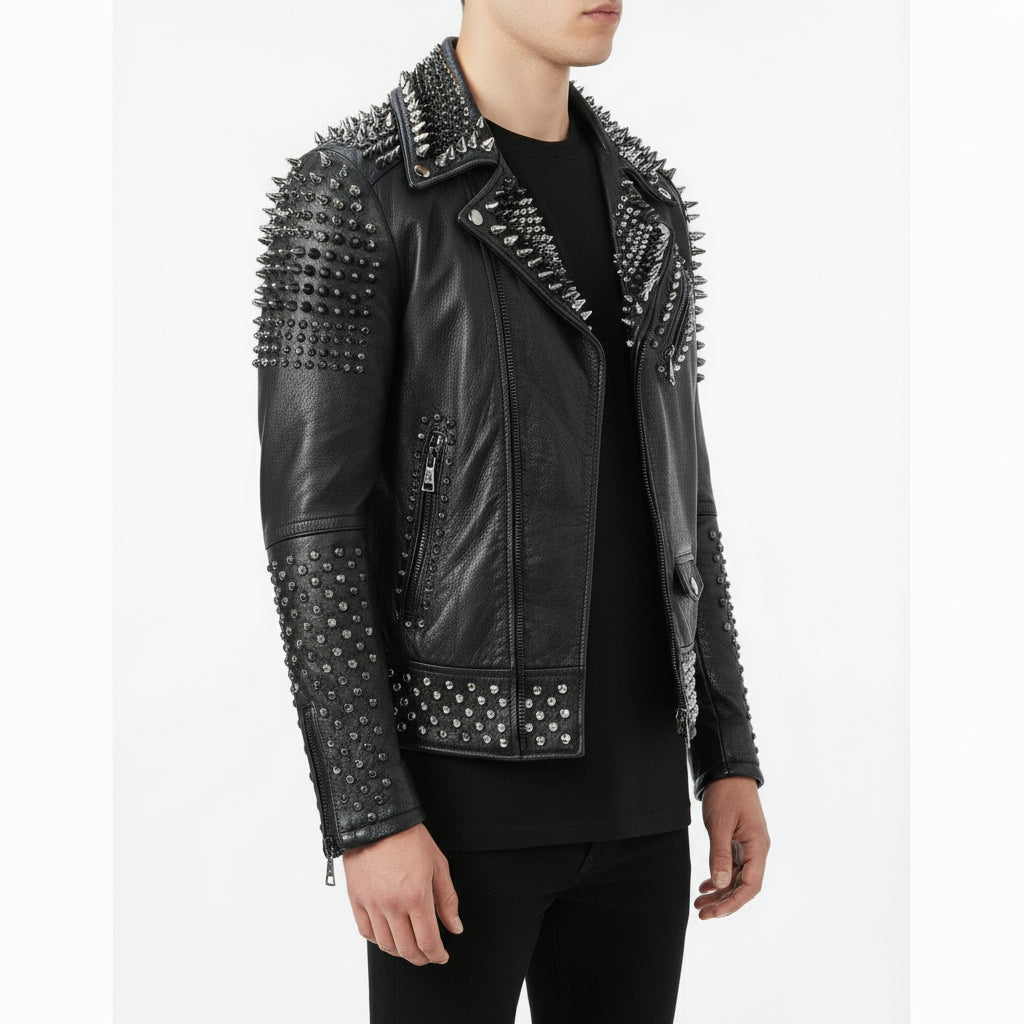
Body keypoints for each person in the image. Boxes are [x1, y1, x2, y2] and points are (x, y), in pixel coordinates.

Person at [252, 3, 770, 1021]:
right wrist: (369, 814)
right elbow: (313, 530)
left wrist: (727, 752)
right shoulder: (355, 192)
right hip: (454, 811)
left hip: (640, 804)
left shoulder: (647, 199)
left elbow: (684, 495)